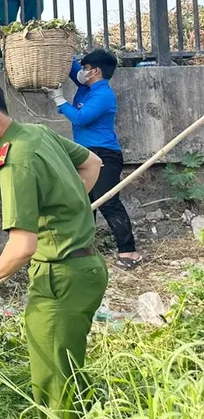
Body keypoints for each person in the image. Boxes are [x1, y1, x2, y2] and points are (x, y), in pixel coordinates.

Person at [0, 75, 107, 419]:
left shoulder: (15, 159)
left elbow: (22, 246)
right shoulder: (36, 133)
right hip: (86, 267)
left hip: (60, 277)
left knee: (55, 379)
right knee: (64, 367)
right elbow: (93, 163)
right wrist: (69, 203)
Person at [48, 49, 140, 268]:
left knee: (107, 200)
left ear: (96, 71)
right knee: (83, 201)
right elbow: (70, 66)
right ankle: (83, 249)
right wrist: (63, 47)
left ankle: (129, 253)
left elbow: (81, 118)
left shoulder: (103, 95)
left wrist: (59, 99)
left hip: (105, 154)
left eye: (86, 68)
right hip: (84, 153)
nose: (82, 72)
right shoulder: (86, 86)